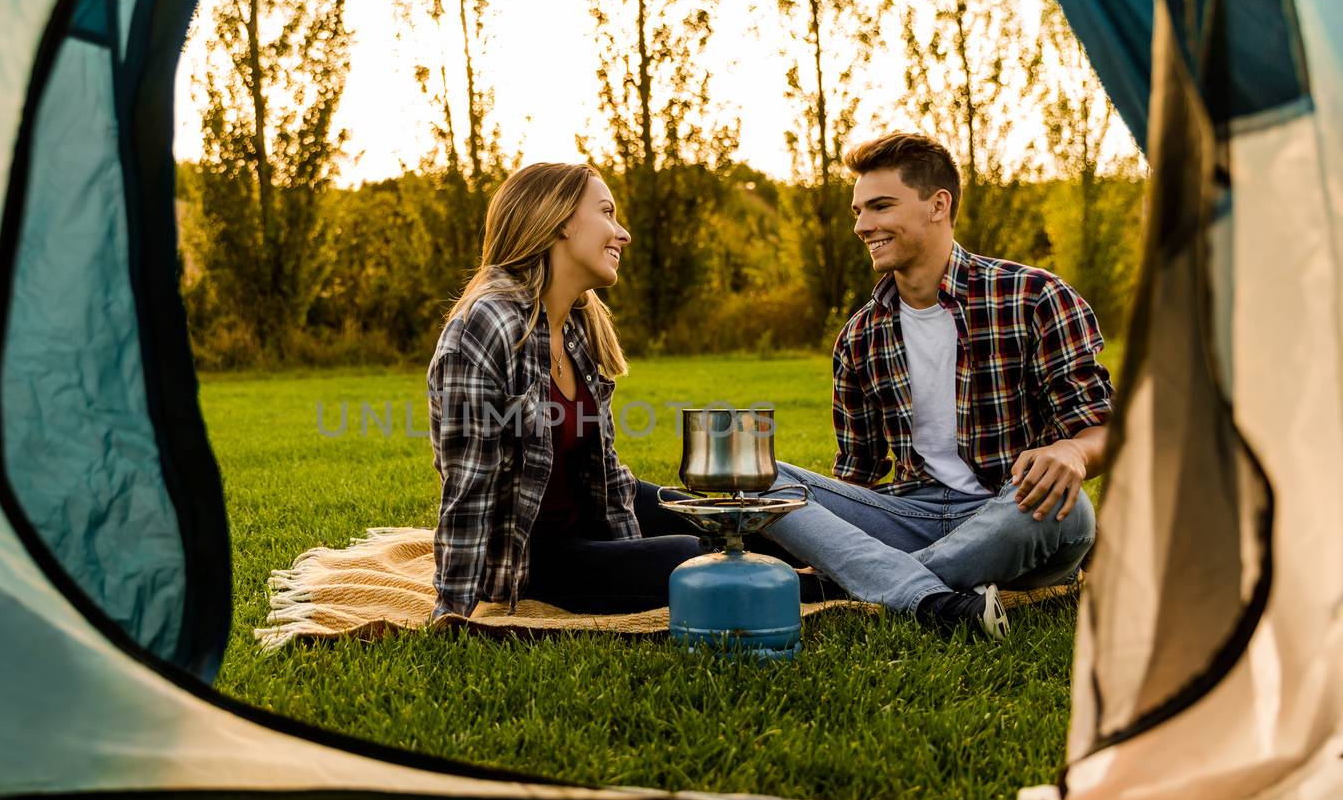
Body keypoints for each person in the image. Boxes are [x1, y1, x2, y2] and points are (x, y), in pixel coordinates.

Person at [427, 162, 819, 620]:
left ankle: (876, 562)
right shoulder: (487, 324)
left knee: (735, 520)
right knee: (694, 557)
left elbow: (604, 468)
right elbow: (469, 482)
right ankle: (833, 588)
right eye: (608, 213)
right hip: (537, 553)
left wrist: (630, 545)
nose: (623, 233)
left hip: (594, 513)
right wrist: (453, 609)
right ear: (559, 222)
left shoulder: (575, 323)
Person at [761, 132, 1113, 638]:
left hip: (1013, 512)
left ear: (938, 205)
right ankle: (927, 596)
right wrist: (835, 529)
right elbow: (857, 475)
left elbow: (1102, 430)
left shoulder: (1034, 297)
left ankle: (865, 586)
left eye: (880, 206)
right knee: (755, 475)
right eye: (858, 211)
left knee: (1070, 508)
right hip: (910, 514)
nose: (863, 226)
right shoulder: (860, 335)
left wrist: (1074, 454)